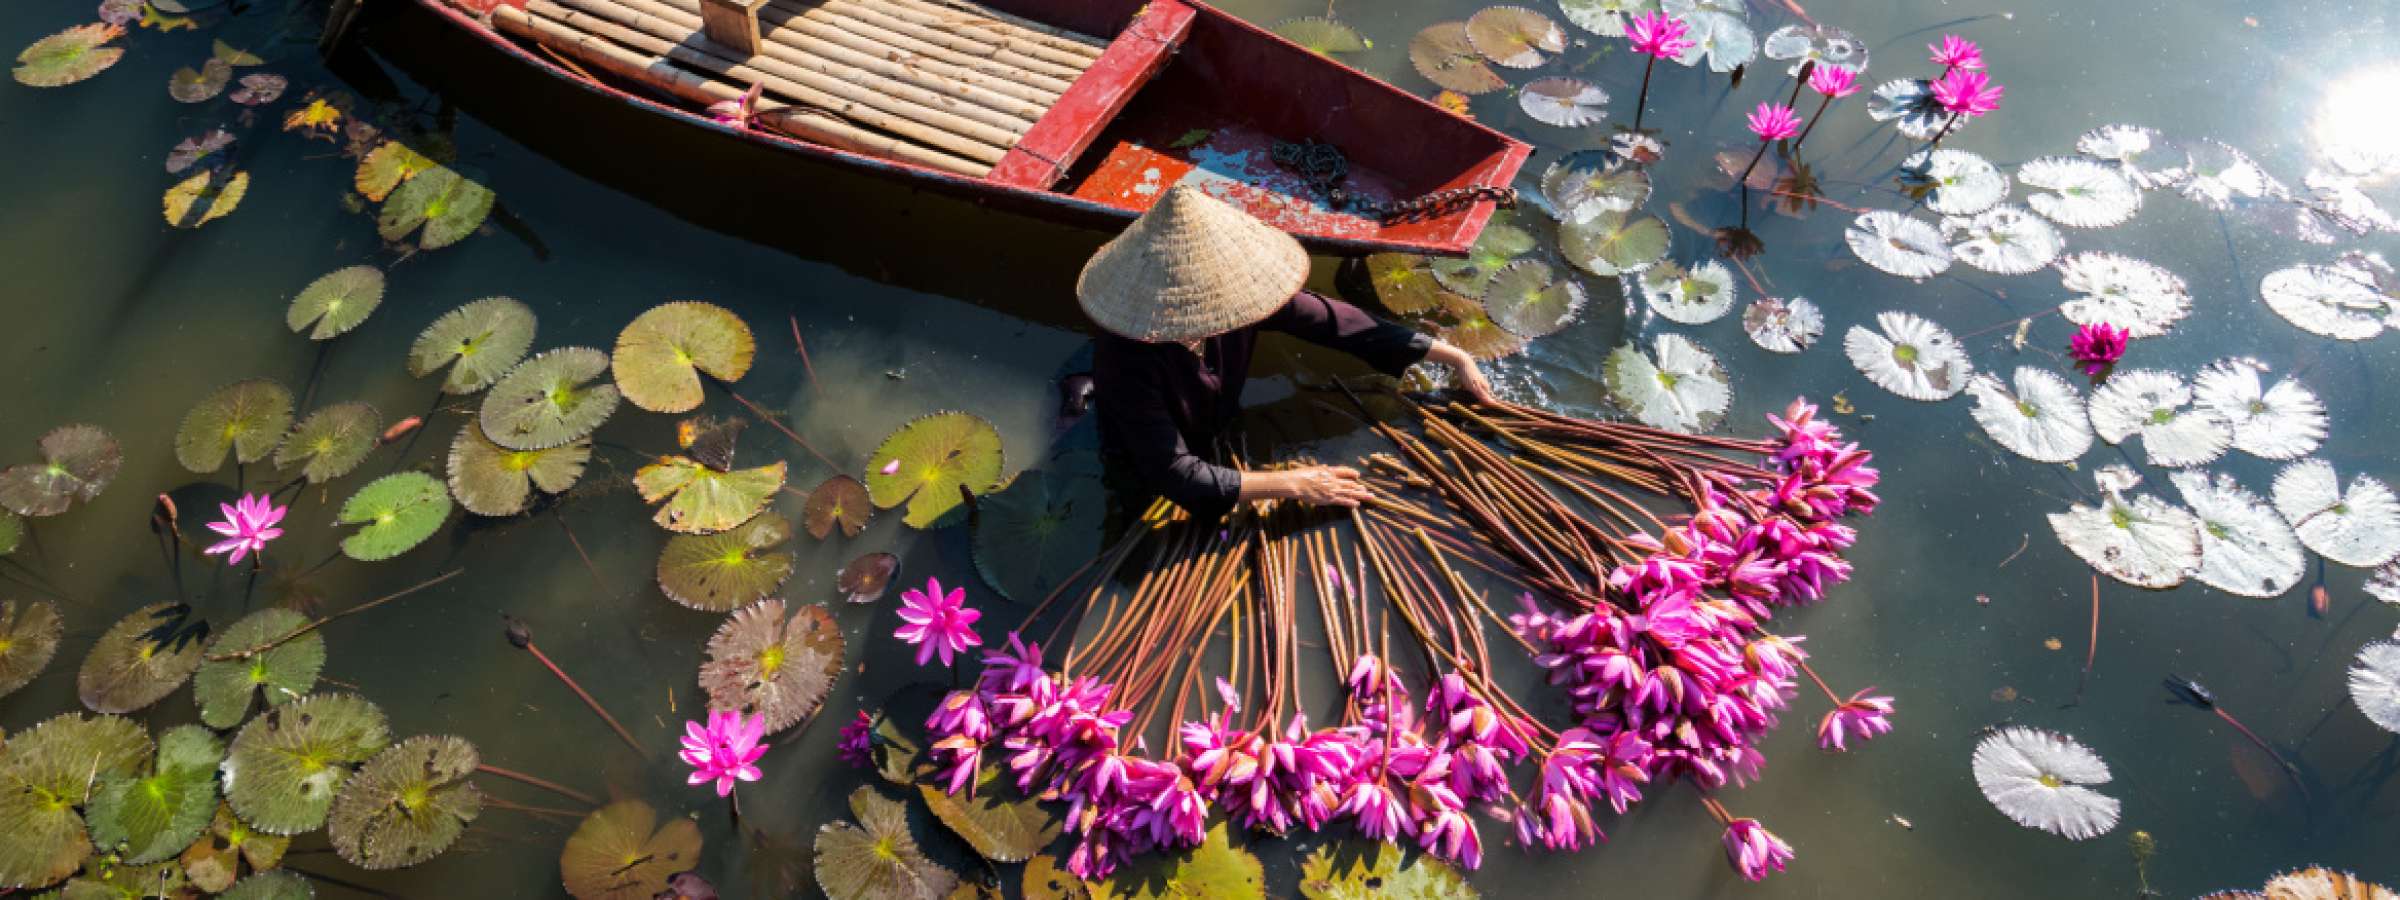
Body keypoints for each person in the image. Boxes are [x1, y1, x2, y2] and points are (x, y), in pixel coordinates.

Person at [1079, 185, 1494, 521]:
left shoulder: (1239, 296)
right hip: (1146, 459)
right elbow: (1173, 472)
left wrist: (1452, 356)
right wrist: (1295, 484)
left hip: (1217, 427)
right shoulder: (1126, 355)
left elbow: (1336, 322)